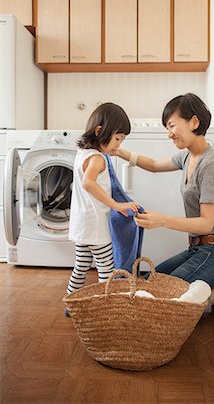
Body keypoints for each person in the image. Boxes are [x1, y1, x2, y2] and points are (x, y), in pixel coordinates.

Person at [116, 93, 214, 325]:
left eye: (172, 125)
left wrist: (162, 220)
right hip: (198, 249)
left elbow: (207, 223)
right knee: (150, 283)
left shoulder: (211, 163)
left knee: (163, 299)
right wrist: (118, 151)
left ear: (194, 122)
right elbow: (155, 166)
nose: (169, 133)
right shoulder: (187, 157)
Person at [66, 103, 140, 302]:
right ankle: (105, 308)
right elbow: (88, 183)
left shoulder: (83, 153)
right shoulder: (97, 159)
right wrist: (116, 205)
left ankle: (71, 303)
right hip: (96, 227)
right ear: (100, 131)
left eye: (122, 140)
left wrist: (112, 149)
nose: (118, 145)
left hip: (82, 226)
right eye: (117, 139)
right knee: (106, 269)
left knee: (80, 267)